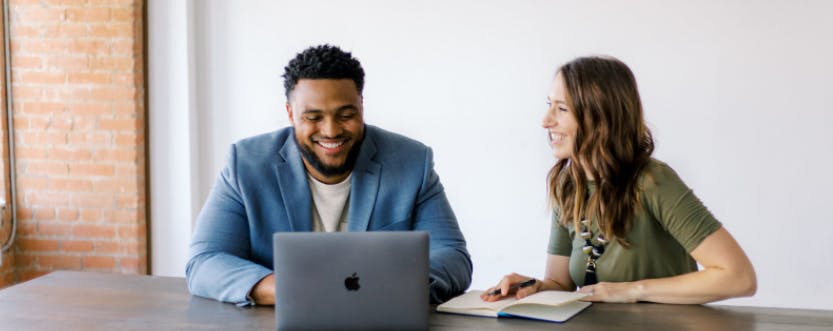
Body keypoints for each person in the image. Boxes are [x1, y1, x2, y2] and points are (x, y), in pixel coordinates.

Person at [186, 44, 472, 306]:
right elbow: (205, 261)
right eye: (313, 118)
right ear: (290, 114)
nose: (331, 131)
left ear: (362, 107)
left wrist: (394, 286)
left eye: (346, 115)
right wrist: (288, 289)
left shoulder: (411, 162)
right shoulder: (246, 164)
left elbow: (453, 256)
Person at [482, 56, 756, 304]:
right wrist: (533, 287)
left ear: (600, 117)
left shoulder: (652, 181)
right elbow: (561, 285)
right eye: (549, 105)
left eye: (562, 109)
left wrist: (632, 290)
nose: (545, 121)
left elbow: (739, 277)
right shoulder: (567, 187)